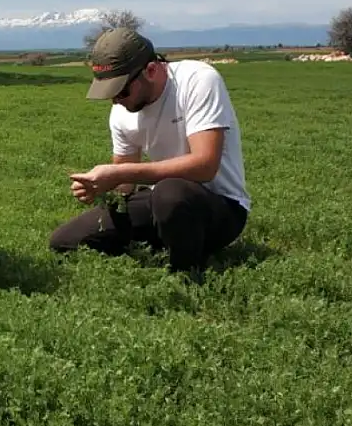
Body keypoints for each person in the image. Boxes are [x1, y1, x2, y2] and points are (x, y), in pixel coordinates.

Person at [49, 27, 251, 273]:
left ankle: (186, 276)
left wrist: (119, 173)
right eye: (110, 93)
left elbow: (205, 166)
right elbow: (125, 183)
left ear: (151, 70)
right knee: (64, 241)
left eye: (121, 90)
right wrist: (101, 187)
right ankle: (160, 246)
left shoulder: (198, 80)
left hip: (220, 207)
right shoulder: (121, 112)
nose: (115, 100)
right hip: (160, 203)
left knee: (170, 191)